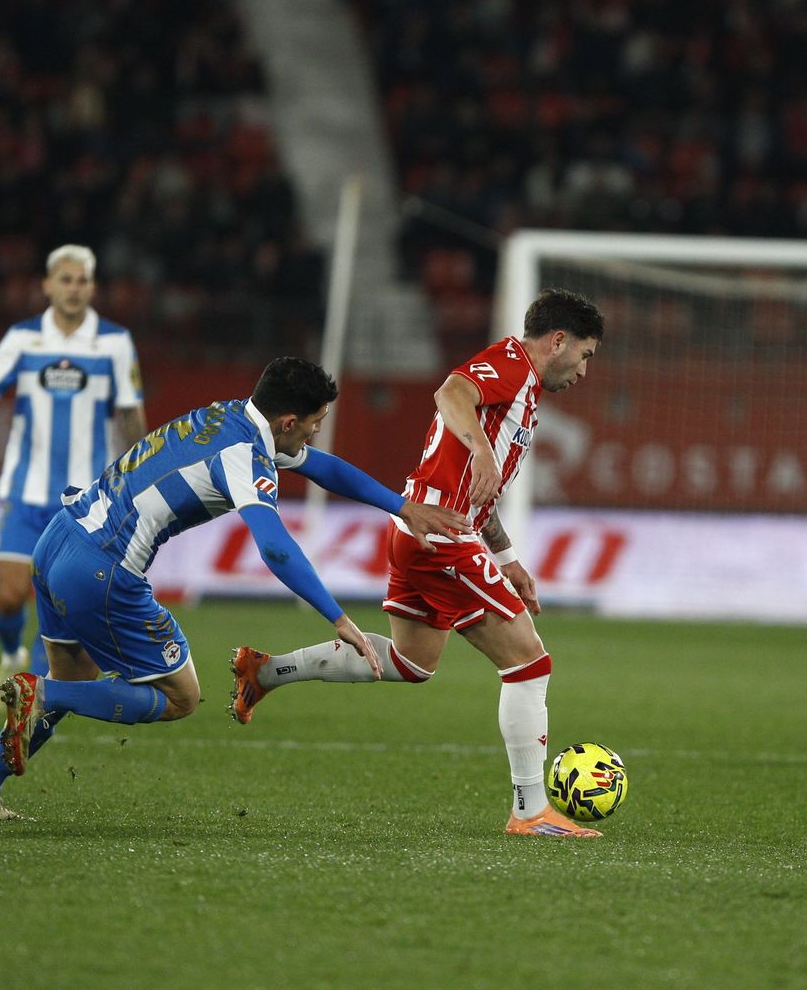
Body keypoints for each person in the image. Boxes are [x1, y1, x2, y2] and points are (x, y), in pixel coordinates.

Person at [0, 357, 469, 819]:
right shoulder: (246, 456)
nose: (313, 435)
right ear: (289, 420)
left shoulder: (230, 415)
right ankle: (42, 694)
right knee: (179, 696)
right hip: (102, 571)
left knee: (78, 679)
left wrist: (402, 507)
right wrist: (338, 618)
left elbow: (322, 468)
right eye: (313, 424)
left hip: (60, 540)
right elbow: (277, 548)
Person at [228, 288, 606, 838]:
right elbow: (450, 392)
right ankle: (530, 813)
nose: (584, 370)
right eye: (586, 354)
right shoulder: (512, 362)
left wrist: (508, 558)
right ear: (558, 341)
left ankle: (264, 671)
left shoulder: (523, 394)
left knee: (412, 662)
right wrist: (477, 447)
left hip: (427, 530)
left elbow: (483, 492)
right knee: (528, 664)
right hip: (442, 536)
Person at [0, 245, 147, 711]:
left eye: (82, 281)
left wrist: (138, 463)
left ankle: (36, 681)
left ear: (92, 288)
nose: (74, 289)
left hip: (82, 502)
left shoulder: (114, 342)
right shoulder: (24, 338)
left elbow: (131, 410)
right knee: (10, 596)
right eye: (66, 279)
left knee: (61, 601)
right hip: (26, 489)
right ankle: (10, 654)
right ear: (48, 285)